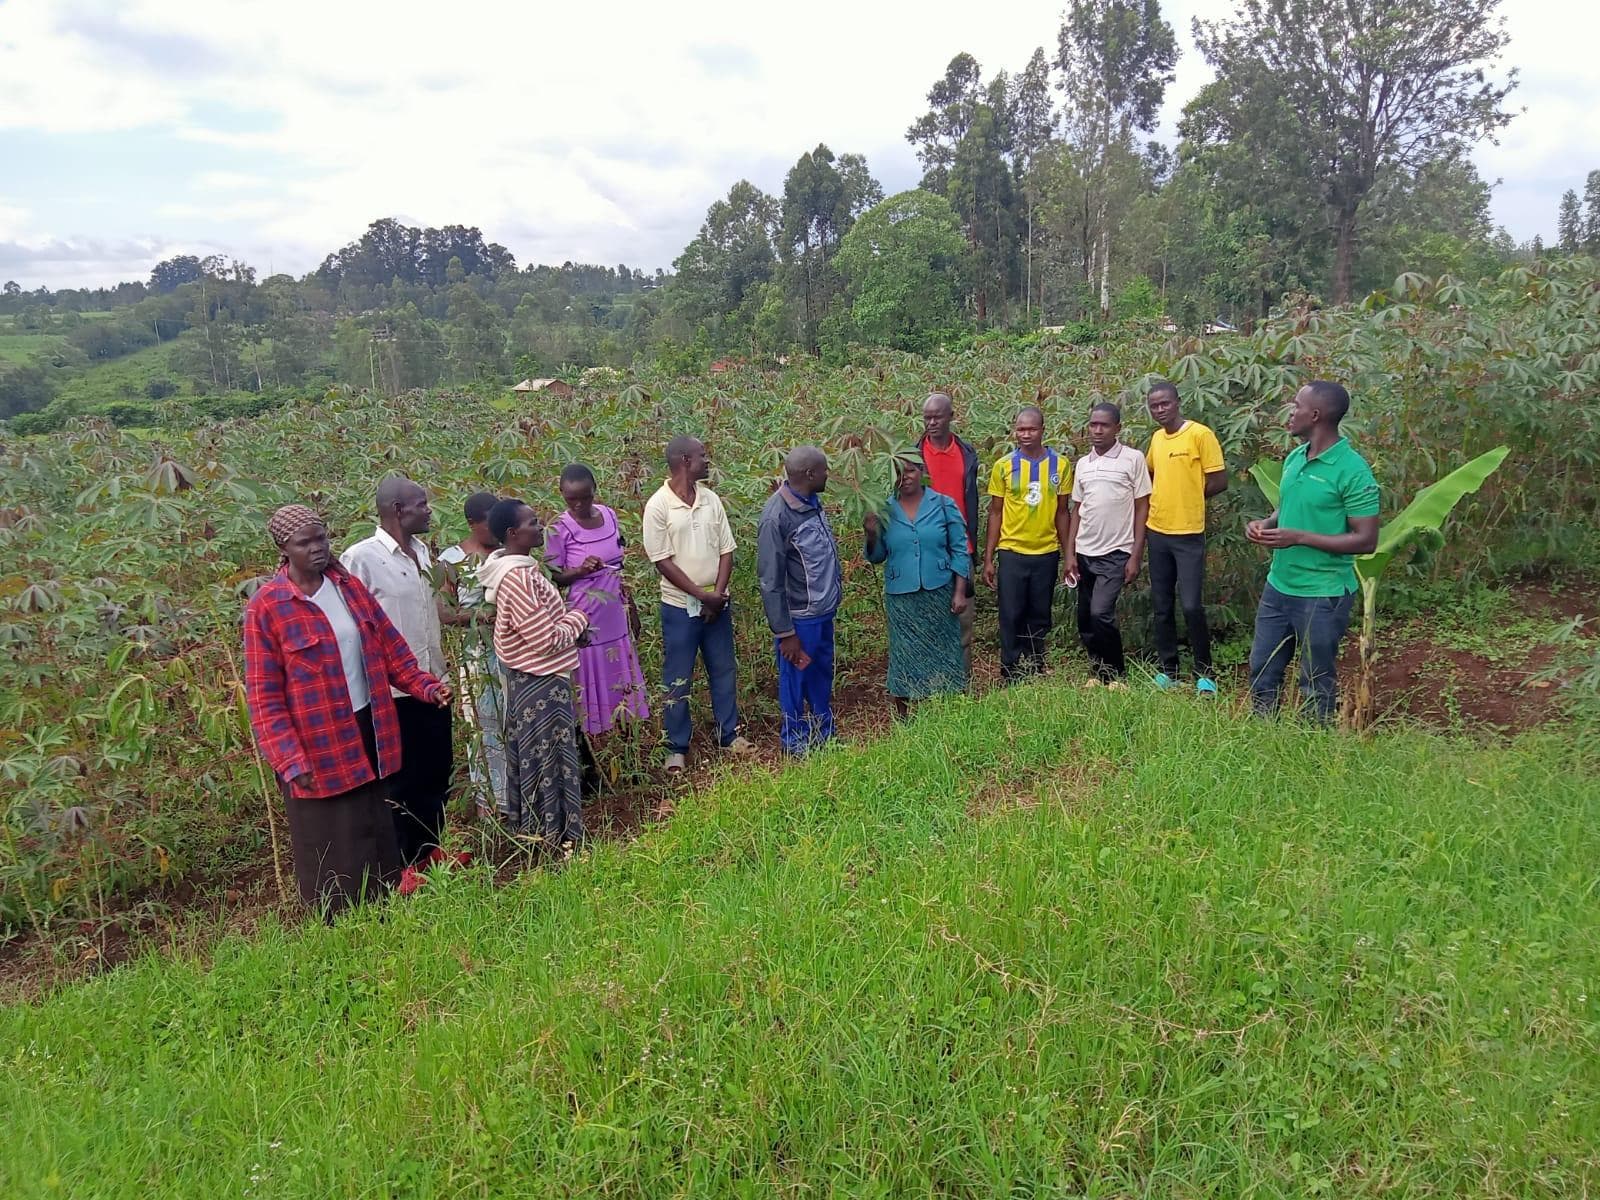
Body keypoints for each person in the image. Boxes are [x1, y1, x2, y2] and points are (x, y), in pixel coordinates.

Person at [243, 504, 451, 916]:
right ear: (285, 549)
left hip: (368, 723)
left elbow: (391, 650)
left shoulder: (348, 587)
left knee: (374, 823)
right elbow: (264, 696)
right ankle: (339, 922)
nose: (317, 548)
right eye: (305, 542)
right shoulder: (268, 607)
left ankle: (382, 907)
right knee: (330, 834)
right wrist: (287, 757)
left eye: (321, 538)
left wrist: (426, 687)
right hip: (315, 740)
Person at [1246, 381, 1380, 721]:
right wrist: (1266, 522)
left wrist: (1300, 537)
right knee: (1262, 670)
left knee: (1315, 681)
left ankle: (1312, 749)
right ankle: (1263, 737)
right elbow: (1287, 507)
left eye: (1297, 406)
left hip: (1323, 594)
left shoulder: (1352, 470)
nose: (1291, 413)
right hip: (1279, 587)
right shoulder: (1295, 456)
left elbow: (1366, 540)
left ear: (1316, 415)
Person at [340, 475, 453, 868]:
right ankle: (401, 864)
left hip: (432, 681)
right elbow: (352, 624)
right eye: (422, 505)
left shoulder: (423, 552)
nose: (429, 512)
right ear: (397, 510)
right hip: (392, 691)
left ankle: (430, 854)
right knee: (400, 781)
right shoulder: (361, 558)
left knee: (436, 773)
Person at [477, 499, 591, 853]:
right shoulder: (519, 579)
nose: (540, 526)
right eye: (532, 523)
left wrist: (567, 623)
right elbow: (546, 639)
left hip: (538, 681)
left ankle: (547, 837)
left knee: (544, 760)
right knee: (549, 761)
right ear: (513, 534)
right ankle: (557, 839)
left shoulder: (520, 572)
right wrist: (578, 619)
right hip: (539, 682)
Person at [642, 435, 753, 773]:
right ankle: (676, 746)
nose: (708, 461)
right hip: (679, 606)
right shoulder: (658, 505)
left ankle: (728, 734)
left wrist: (716, 595)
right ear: (684, 461)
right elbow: (662, 560)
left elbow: (726, 550)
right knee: (679, 676)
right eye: (702, 456)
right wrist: (701, 595)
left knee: (723, 668)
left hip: (716, 602)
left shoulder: (710, 500)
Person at [546, 464, 650, 738]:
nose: (579, 504)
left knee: (621, 684)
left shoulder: (609, 515)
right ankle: (596, 750)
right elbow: (555, 576)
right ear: (562, 494)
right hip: (585, 618)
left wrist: (632, 609)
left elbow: (620, 567)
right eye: (571, 499)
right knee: (590, 688)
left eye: (585, 497)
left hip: (616, 613)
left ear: (595, 491)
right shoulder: (558, 528)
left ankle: (625, 748)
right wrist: (580, 570)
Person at [863, 453, 970, 717]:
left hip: (939, 593)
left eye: (910, 471)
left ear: (922, 470)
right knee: (904, 656)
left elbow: (960, 550)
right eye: (898, 472)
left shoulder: (943, 505)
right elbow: (877, 557)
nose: (904, 478)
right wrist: (871, 532)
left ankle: (948, 711)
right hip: (902, 597)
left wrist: (959, 592)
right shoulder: (884, 510)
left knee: (944, 652)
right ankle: (905, 717)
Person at [758, 445, 842, 755]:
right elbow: (770, 580)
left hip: (821, 611)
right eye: (823, 470)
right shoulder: (776, 517)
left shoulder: (812, 502)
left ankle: (824, 734)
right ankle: (795, 742)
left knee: (820, 675)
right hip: (799, 618)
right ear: (809, 474)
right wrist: (785, 632)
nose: (827, 474)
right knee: (794, 682)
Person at [1145, 379, 1228, 695]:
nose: (1160, 409)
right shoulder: (1156, 439)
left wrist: (1191, 498)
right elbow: (1151, 472)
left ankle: (1204, 673)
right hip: (1157, 530)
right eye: (1154, 405)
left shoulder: (1199, 435)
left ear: (1178, 402)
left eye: (1165, 403)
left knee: (1192, 605)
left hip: (1189, 533)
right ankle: (1168, 670)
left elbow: (1219, 480)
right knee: (1162, 604)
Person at [1065, 403, 1152, 685]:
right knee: (1085, 619)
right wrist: (1070, 554)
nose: (1097, 430)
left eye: (1104, 425)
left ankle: (1117, 675)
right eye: (1093, 424)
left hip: (1116, 552)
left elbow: (1142, 507)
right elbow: (1077, 510)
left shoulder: (1133, 459)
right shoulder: (1083, 465)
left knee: (1101, 613)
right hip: (1084, 552)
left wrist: (1135, 554)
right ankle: (1098, 671)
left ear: (1117, 428)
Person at [983, 407, 1071, 682]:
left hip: (1046, 552)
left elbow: (1062, 512)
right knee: (1011, 612)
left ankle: (1036, 665)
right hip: (1012, 552)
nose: (1025, 434)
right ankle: (1009, 670)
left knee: (1039, 612)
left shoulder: (1061, 465)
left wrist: (1069, 555)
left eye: (1031, 429)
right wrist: (989, 557)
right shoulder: (1004, 466)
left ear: (1043, 430)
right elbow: (995, 512)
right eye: (1020, 429)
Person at [438, 491, 506, 819]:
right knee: (484, 725)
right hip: (478, 655)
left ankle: (519, 795)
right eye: (488, 525)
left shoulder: (509, 551)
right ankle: (489, 803)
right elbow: (446, 613)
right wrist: (483, 615)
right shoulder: (452, 560)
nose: (496, 531)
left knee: (514, 723)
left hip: (514, 652)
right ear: (471, 524)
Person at [918, 392, 982, 660]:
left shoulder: (966, 454)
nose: (931, 423)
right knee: (926, 619)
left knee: (962, 620)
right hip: (926, 548)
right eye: (927, 418)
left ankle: (961, 686)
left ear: (951, 417)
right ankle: (930, 684)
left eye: (937, 417)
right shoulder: (913, 455)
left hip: (960, 548)